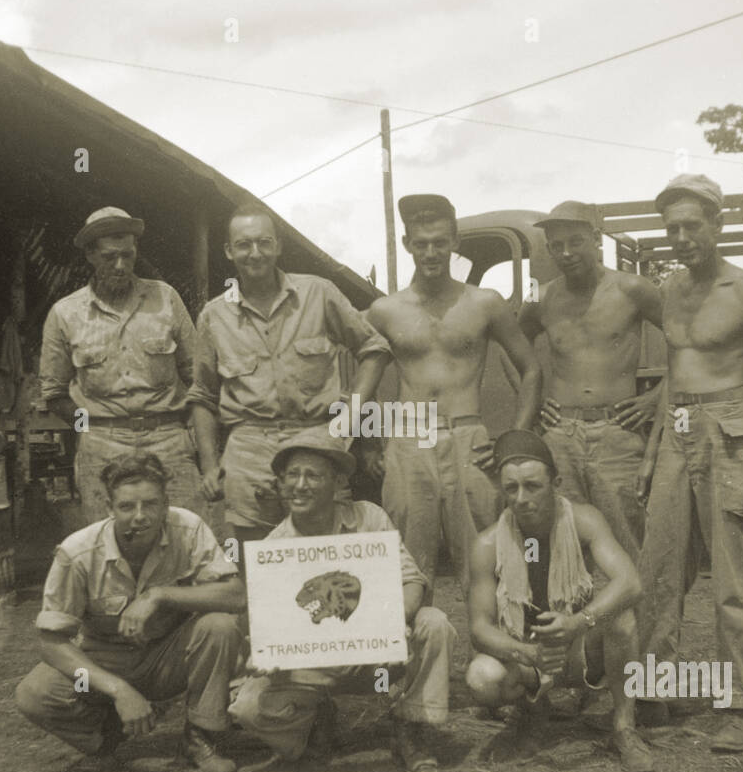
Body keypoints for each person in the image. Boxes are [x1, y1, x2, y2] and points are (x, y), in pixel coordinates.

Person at [635, 174, 743, 752]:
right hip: (677, 429)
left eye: (691, 226)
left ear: (718, 225)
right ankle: (653, 688)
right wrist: (655, 450)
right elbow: (674, 376)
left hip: (731, 431)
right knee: (658, 569)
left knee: (733, 580)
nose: (680, 237)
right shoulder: (670, 290)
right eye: (671, 228)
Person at [228, 428, 455, 772]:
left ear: (336, 483)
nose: (300, 485)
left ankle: (409, 727)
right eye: (292, 475)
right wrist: (265, 653)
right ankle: (315, 722)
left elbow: (412, 581)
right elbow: (267, 624)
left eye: (313, 475)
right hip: (316, 666)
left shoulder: (368, 518)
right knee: (248, 708)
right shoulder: (275, 545)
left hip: (377, 659)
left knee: (434, 623)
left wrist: (393, 621)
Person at [14, 452, 246, 772]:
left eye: (150, 505)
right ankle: (107, 738)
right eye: (126, 507)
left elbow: (235, 595)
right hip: (105, 658)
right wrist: (118, 690)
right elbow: (51, 642)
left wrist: (159, 595)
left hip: (169, 656)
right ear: (109, 508)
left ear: (166, 504)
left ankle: (201, 737)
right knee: (34, 693)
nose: (140, 517)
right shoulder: (77, 552)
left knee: (220, 625)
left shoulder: (189, 528)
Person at [365, 194, 543, 593]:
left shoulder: (485, 303)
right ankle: (415, 653)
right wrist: (369, 444)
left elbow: (531, 368)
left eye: (440, 242)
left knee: (485, 566)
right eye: (422, 243)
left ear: (454, 242)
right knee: (407, 569)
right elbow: (362, 380)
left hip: (469, 440)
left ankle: (493, 655)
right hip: (410, 442)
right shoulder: (385, 310)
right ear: (407, 245)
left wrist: (515, 439)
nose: (431, 252)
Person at [187, 203, 391, 548]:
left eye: (264, 242)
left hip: (317, 445)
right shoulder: (214, 315)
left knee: (328, 551)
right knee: (254, 564)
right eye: (244, 244)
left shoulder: (318, 293)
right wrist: (210, 466)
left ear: (278, 245)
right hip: (249, 453)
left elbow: (374, 349)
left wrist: (352, 414)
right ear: (228, 251)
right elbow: (203, 396)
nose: (255, 253)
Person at [464, 430, 653, 772]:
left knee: (622, 620)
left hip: (579, 643)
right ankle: (532, 710)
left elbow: (630, 582)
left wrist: (578, 624)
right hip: (527, 651)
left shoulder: (583, 519)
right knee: (481, 676)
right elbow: (479, 628)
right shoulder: (487, 544)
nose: (521, 498)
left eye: (533, 486)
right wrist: (527, 652)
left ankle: (624, 727)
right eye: (511, 488)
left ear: (556, 482)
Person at [39, 207, 207, 524]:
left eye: (127, 256)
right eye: (109, 257)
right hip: (102, 444)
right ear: (90, 255)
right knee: (108, 543)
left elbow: (198, 376)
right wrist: (90, 430)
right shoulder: (65, 314)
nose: (120, 266)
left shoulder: (166, 299)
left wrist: (184, 429)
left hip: (168, 440)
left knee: (186, 535)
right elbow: (54, 393)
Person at [519, 201, 664, 555]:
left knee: (628, 544)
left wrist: (655, 396)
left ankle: (634, 612)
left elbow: (689, 346)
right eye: (556, 246)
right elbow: (517, 353)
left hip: (617, 434)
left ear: (596, 239)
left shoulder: (633, 289)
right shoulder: (541, 298)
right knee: (564, 548)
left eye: (576, 241)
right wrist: (534, 401)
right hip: (560, 437)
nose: (566, 253)